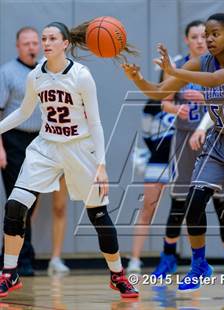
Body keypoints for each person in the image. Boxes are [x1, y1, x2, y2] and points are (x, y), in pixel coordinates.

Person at [123, 13, 224, 301]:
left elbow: (218, 78)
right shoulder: (199, 63)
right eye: (206, 35)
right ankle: (200, 265)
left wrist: (175, 70)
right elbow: (158, 93)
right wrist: (139, 78)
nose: (208, 39)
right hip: (219, 138)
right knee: (191, 203)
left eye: (215, 34)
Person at [0, 21, 138, 298]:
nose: (46, 43)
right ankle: (9, 273)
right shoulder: (35, 75)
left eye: (52, 38)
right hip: (46, 147)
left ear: (65, 44)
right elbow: (24, 112)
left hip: (80, 148)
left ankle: (117, 275)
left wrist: (101, 165)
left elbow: (96, 123)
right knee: (15, 205)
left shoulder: (81, 76)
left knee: (98, 215)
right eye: (44, 38)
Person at [150, 20, 224, 280]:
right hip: (184, 138)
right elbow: (163, 102)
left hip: (216, 138)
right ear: (187, 40)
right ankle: (167, 258)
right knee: (180, 200)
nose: (201, 41)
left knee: (221, 201)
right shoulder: (177, 66)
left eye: (204, 36)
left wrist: (205, 100)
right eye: (195, 37)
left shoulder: (221, 64)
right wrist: (176, 109)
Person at [0, 26, 69, 276]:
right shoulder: (7, 72)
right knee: (17, 201)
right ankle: (20, 261)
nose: (31, 47)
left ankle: (13, 257)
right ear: (18, 46)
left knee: (31, 203)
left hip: (43, 142)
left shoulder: (47, 71)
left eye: (34, 43)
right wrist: (1, 149)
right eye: (26, 43)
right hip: (14, 141)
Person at [126, 70, 175, 274]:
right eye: (169, 76)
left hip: (183, 163)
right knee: (147, 210)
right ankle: (135, 260)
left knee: (188, 212)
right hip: (158, 163)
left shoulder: (189, 101)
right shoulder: (153, 104)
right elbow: (146, 134)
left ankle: (191, 260)